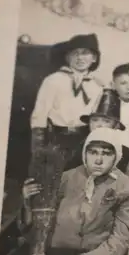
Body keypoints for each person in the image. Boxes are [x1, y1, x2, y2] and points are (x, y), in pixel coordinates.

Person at [20, 127, 129, 255]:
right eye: (93, 152)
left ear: (116, 155)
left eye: (106, 154)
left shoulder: (127, 189)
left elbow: (121, 238)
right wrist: (29, 203)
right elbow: (36, 232)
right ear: (85, 152)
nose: (98, 160)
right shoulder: (62, 178)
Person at [30, 33, 104, 161]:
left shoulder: (98, 86)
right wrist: (38, 148)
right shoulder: (53, 80)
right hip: (56, 139)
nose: (80, 57)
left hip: (84, 140)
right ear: (67, 57)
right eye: (75, 53)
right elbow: (39, 114)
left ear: (94, 58)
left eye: (85, 53)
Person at [64, 89, 129, 172]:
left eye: (106, 121)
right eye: (95, 120)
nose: (99, 125)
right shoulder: (75, 147)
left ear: (116, 126)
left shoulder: (125, 154)